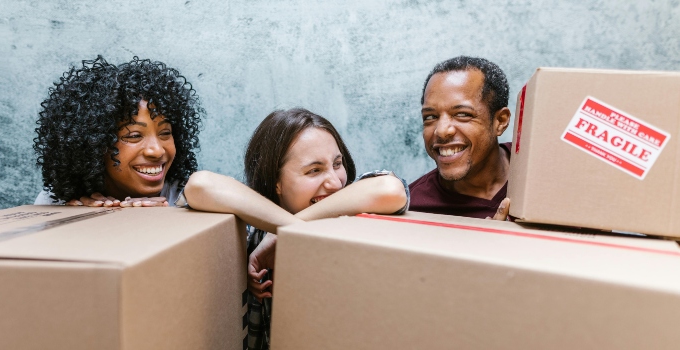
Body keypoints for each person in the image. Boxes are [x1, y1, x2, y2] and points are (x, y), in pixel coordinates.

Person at [180, 108, 409, 350]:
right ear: (276, 182)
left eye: (337, 163)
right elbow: (200, 186)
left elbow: (390, 190)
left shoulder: (356, 212)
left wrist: (288, 230)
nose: (334, 182)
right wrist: (284, 228)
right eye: (314, 170)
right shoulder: (253, 235)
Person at [33, 56, 203, 206]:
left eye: (165, 133)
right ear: (93, 146)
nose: (157, 150)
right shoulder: (59, 203)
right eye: (134, 135)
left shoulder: (185, 196)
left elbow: (207, 186)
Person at [409, 56, 512, 220]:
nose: (441, 131)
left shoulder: (544, 172)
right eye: (430, 117)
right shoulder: (414, 209)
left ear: (500, 121)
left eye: (462, 114)